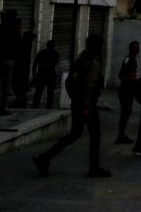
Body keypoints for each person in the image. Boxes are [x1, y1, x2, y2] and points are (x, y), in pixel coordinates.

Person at [32, 34, 109, 178]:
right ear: (98, 47)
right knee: (94, 135)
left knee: (75, 134)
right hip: (87, 105)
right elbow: (89, 86)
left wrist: (75, 98)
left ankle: (45, 158)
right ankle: (94, 168)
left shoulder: (80, 59)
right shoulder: (92, 63)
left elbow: (68, 83)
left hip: (77, 103)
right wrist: (86, 106)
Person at [0, 11, 20, 115]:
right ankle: (2, 108)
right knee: (5, 85)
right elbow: (17, 42)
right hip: (9, 59)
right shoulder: (14, 28)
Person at [115, 40, 140, 143]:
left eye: (138, 48)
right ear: (130, 49)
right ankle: (120, 135)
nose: (137, 50)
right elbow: (121, 75)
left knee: (127, 112)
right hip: (125, 90)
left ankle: (122, 134)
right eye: (135, 47)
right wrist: (130, 78)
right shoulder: (128, 59)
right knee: (125, 113)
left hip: (129, 90)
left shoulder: (133, 59)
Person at [30, 39, 60, 110]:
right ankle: (48, 107)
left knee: (39, 92)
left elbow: (35, 63)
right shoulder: (55, 53)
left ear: (47, 45)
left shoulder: (42, 52)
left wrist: (34, 74)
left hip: (42, 75)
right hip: (50, 75)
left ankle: (35, 106)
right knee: (50, 93)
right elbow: (55, 64)